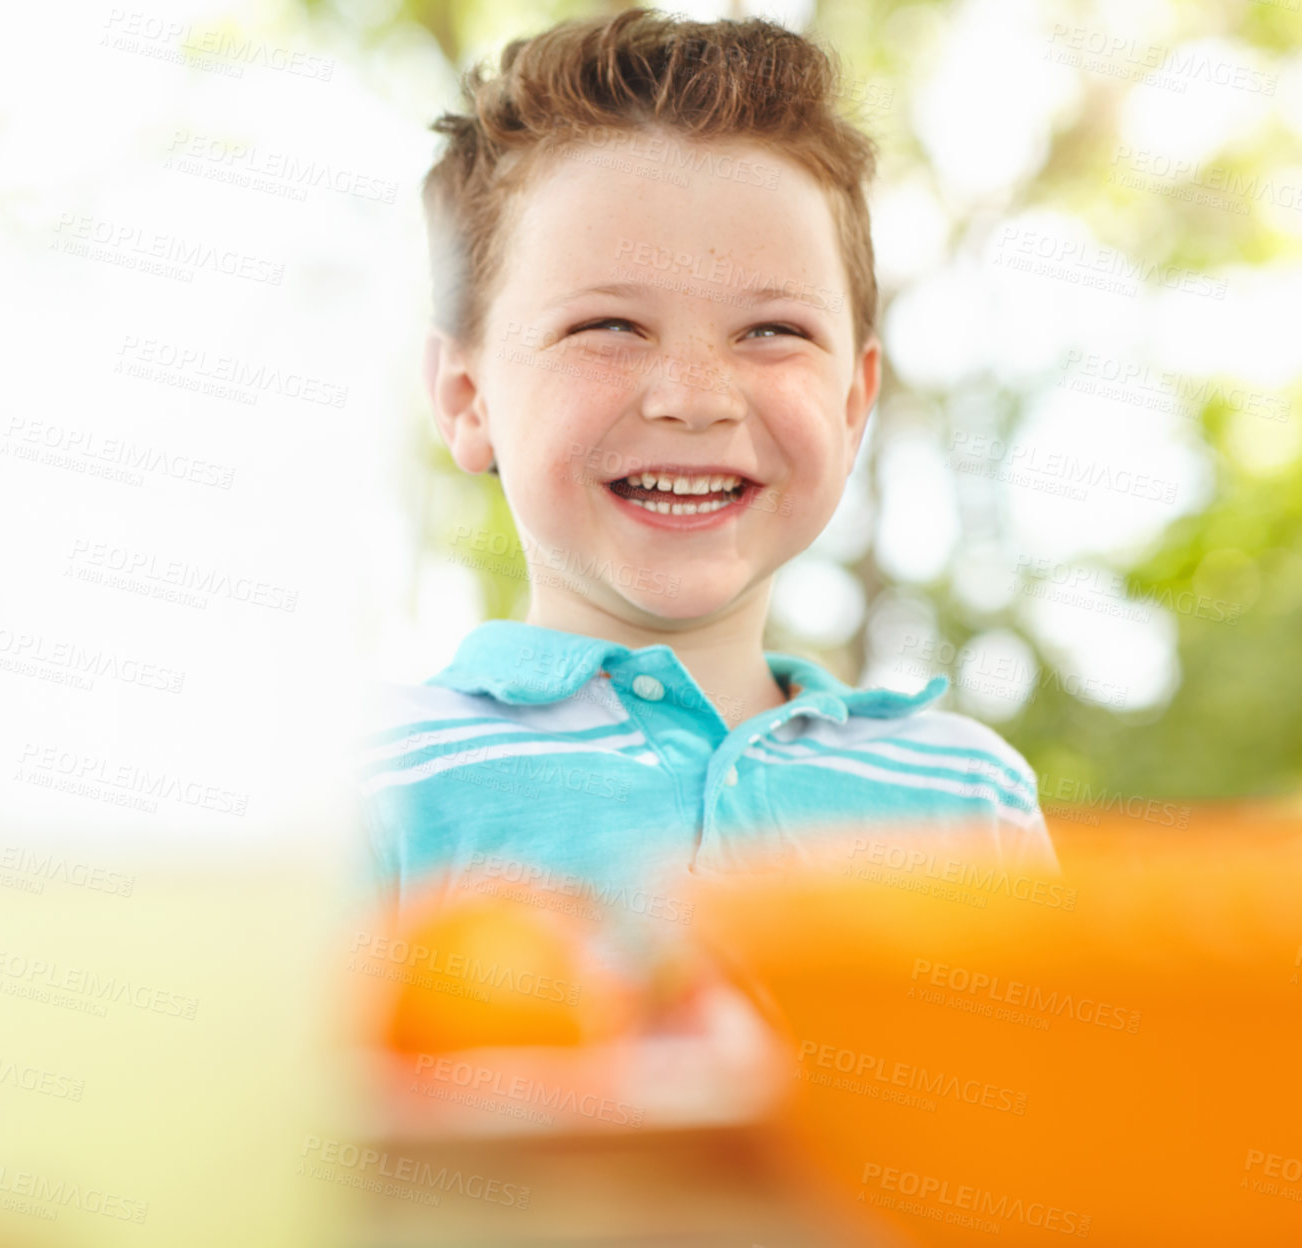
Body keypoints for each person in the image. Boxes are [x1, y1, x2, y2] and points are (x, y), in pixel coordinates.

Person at [356, 9, 1060, 925]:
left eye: (773, 331)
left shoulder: (970, 798)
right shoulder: (368, 782)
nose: (695, 397)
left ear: (853, 403)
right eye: (607, 326)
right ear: (465, 398)